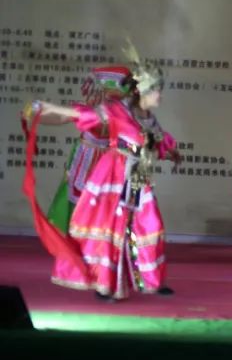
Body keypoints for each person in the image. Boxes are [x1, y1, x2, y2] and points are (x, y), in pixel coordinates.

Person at [23, 43, 182, 301]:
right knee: (110, 230)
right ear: (143, 90)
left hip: (138, 180)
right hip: (113, 178)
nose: (160, 96)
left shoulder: (147, 117)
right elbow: (76, 113)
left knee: (148, 225)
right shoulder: (116, 110)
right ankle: (104, 284)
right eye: (157, 91)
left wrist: (172, 153)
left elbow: (158, 140)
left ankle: (150, 280)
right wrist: (46, 107)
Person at [35, 66, 133, 235]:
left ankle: (100, 238)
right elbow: (61, 117)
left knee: (105, 202)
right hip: (85, 159)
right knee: (78, 198)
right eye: (107, 95)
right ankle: (77, 236)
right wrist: (36, 117)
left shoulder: (124, 114)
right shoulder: (90, 110)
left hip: (109, 163)